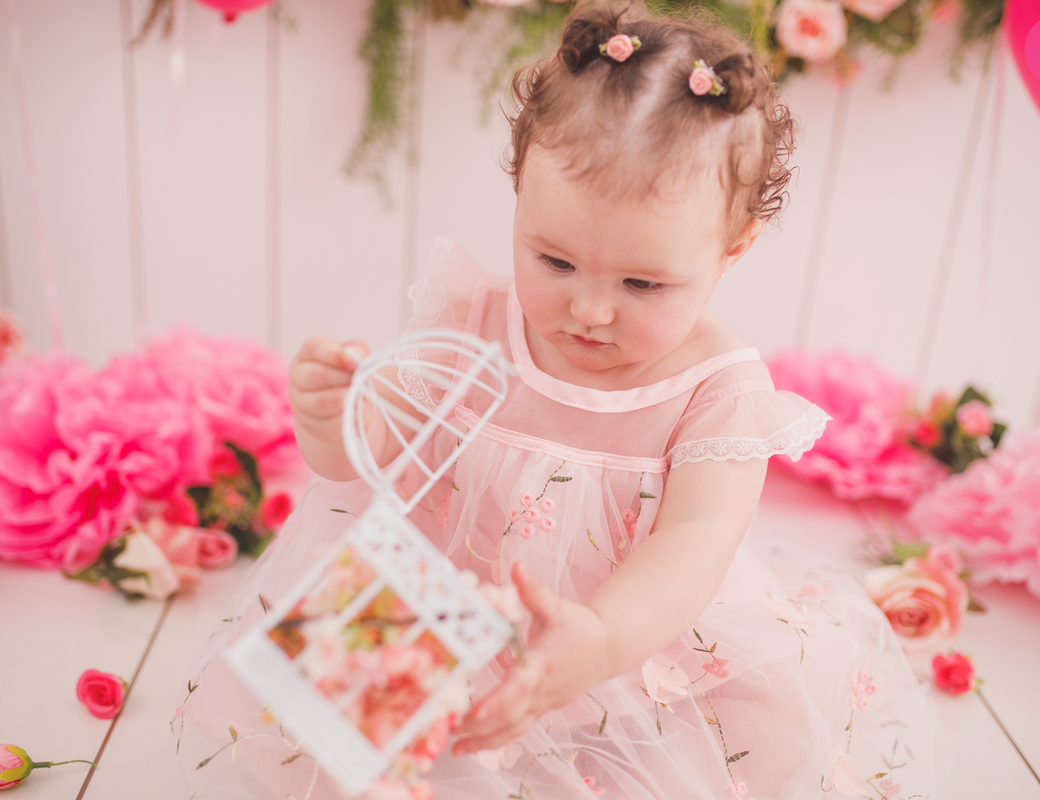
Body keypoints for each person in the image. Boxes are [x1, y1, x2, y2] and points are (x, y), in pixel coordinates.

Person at [174, 3, 932, 798]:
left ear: (731, 249)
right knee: (347, 753)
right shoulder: (470, 319)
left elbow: (696, 544)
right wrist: (331, 419)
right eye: (554, 260)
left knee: (736, 748)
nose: (590, 310)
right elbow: (364, 460)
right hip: (436, 612)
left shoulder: (718, 391)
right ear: (519, 197)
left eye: (643, 283)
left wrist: (604, 639)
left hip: (627, 639)